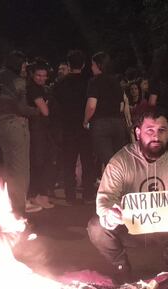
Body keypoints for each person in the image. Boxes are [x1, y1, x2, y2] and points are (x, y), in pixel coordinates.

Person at [87, 108, 168, 282]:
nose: (156, 137)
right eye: (149, 130)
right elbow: (106, 197)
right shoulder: (120, 161)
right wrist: (110, 213)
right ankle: (121, 264)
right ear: (138, 133)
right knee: (97, 227)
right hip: (130, 228)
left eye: (162, 130)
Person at [0, 50, 41, 216]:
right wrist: (38, 111)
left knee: (10, 168)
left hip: (2, 125)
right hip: (16, 126)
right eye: (23, 64)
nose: (25, 67)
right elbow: (20, 108)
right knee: (21, 170)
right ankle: (20, 209)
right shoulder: (18, 81)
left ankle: (13, 205)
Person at [53, 49, 95, 204]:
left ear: (69, 65)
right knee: (87, 161)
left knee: (68, 163)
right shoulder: (88, 83)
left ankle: (70, 196)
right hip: (85, 127)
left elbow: (55, 108)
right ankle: (88, 194)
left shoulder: (60, 84)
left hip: (67, 127)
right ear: (83, 64)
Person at [83, 51, 126, 168]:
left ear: (98, 65)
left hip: (101, 124)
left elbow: (92, 105)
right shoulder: (116, 81)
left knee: (110, 162)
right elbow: (122, 105)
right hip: (118, 123)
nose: (91, 67)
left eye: (92, 64)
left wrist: (86, 120)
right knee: (120, 160)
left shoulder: (94, 82)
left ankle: (115, 185)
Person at [26, 62, 55, 210]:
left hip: (40, 129)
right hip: (37, 130)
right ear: (32, 74)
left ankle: (36, 195)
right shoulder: (33, 88)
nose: (42, 78)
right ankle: (37, 196)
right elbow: (45, 111)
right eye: (38, 75)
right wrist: (47, 104)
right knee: (39, 162)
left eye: (44, 75)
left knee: (40, 161)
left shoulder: (39, 88)